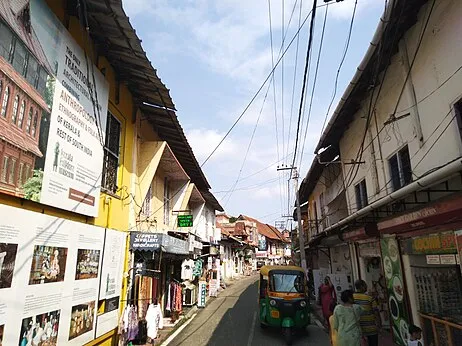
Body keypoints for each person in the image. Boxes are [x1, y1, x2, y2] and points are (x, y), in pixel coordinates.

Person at [354, 280, 381, 346]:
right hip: (371, 328)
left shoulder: (352, 298)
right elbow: (376, 312)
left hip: (358, 329)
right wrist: (379, 323)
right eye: (365, 285)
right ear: (362, 286)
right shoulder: (370, 298)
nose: (366, 287)